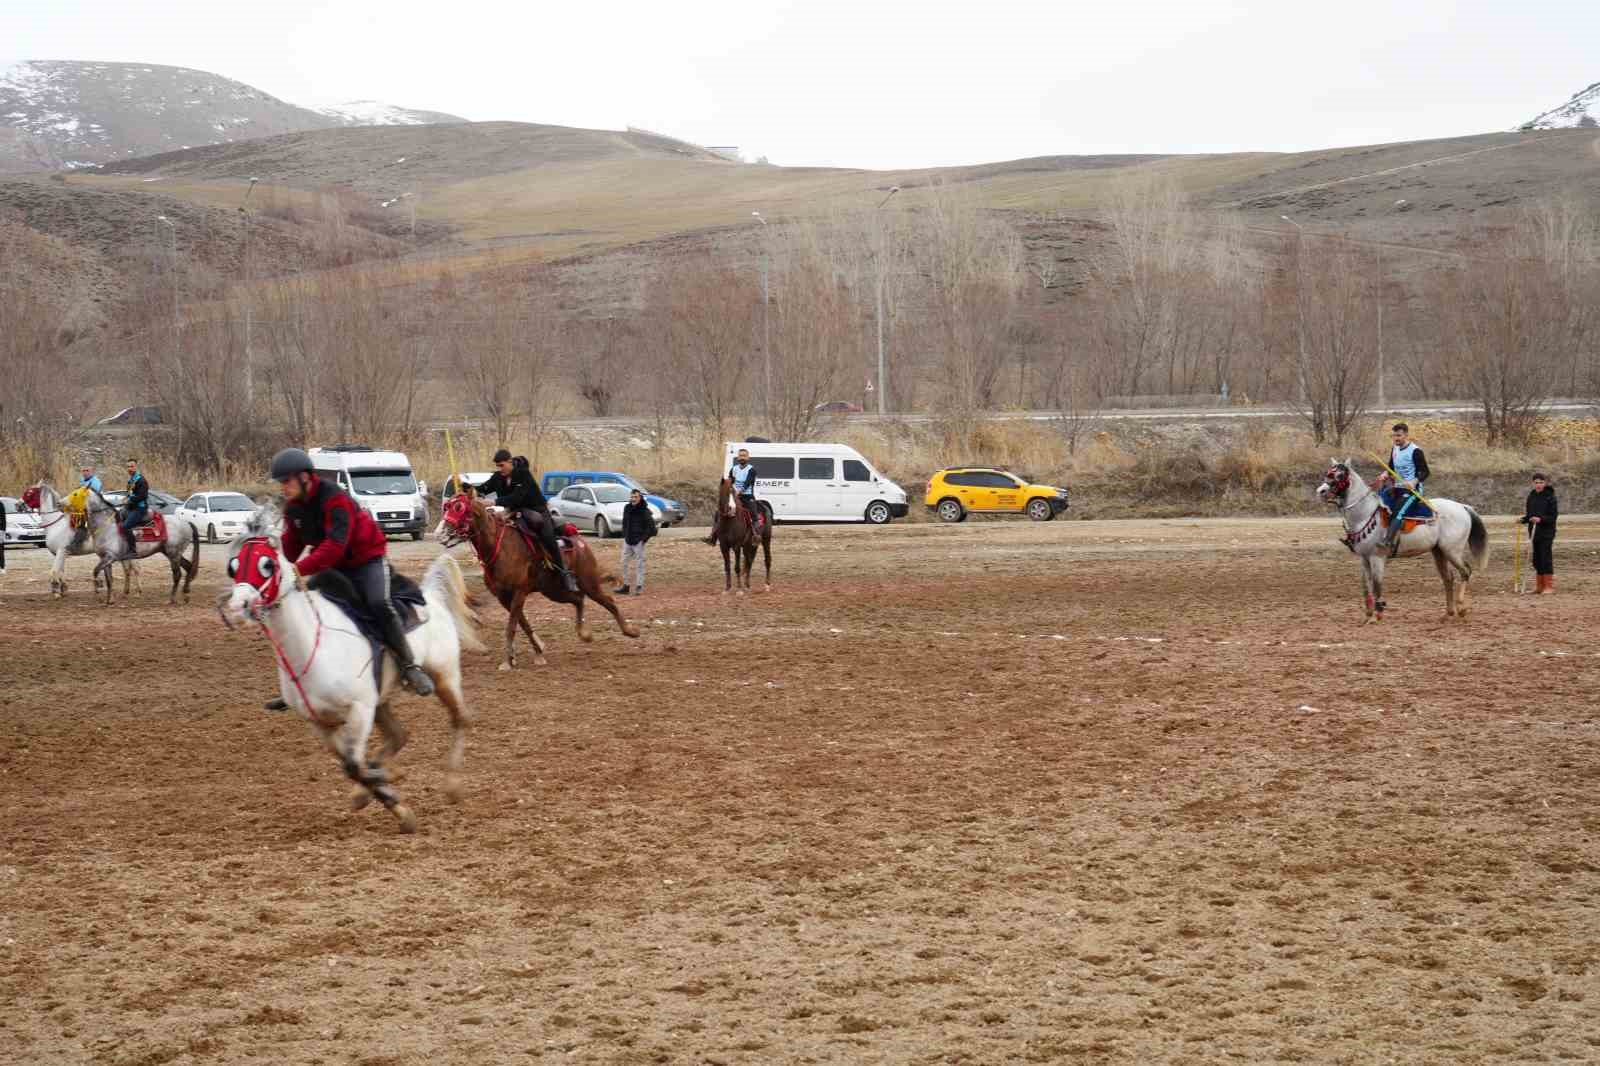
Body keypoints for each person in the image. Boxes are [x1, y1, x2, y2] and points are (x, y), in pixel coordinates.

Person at [263, 447, 433, 710]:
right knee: (305, 606)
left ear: (305, 477)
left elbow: (334, 546)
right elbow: (290, 547)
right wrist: (275, 564)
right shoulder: (294, 508)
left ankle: (410, 666)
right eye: (281, 482)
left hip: (366, 560)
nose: (283, 487)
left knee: (377, 603)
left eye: (286, 481)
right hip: (335, 566)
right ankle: (299, 686)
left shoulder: (335, 499)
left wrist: (298, 570)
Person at [473, 448, 578, 594]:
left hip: (538, 511)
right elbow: (483, 489)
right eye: (497, 466)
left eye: (502, 465)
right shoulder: (498, 477)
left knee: (548, 537)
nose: (499, 469)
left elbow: (517, 498)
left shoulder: (523, 474)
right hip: (515, 512)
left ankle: (565, 574)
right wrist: (468, 489)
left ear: (510, 462)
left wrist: (491, 502)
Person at [1379, 423, 1431, 556]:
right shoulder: (1394, 449)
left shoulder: (1415, 451)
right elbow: (1391, 466)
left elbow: (1425, 472)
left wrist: (1414, 481)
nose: (1396, 438)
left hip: (1412, 491)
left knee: (1398, 511)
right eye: (1394, 435)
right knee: (1378, 503)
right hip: (1396, 488)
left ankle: (1387, 543)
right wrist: (1386, 473)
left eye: (1399, 435)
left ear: (1406, 435)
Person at [706, 448, 763, 543]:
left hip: (747, 497)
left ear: (748, 457)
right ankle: (713, 536)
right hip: (734, 496)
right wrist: (727, 489)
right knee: (719, 512)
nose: (742, 457)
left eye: (744, 455)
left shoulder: (751, 470)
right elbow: (729, 481)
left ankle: (755, 536)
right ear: (738, 457)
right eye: (740, 455)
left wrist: (739, 492)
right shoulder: (734, 469)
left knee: (753, 514)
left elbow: (747, 483)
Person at [615, 489, 657, 596]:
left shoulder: (645, 511)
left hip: (639, 542)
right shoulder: (627, 508)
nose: (633, 499)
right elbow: (624, 522)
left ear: (640, 498)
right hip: (628, 540)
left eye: (635, 497)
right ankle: (626, 586)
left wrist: (643, 540)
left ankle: (639, 586)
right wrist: (625, 534)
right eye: (632, 497)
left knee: (640, 564)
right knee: (623, 563)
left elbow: (652, 528)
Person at [1522, 472, 1558, 595]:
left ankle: (1549, 586)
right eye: (1536, 482)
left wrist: (1540, 519)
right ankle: (1539, 586)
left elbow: (1553, 517)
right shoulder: (1531, 496)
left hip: (1547, 532)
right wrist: (1523, 520)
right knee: (1536, 559)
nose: (1538, 485)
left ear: (1545, 483)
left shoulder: (1550, 497)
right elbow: (1529, 515)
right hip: (1534, 532)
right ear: (1533, 483)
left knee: (1545, 558)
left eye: (1541, 482)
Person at [119, 458, 150, 553]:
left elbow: (142, 496)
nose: (129, 468)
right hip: (131, 507)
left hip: (139, 508)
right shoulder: (131, 480)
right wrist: (125, 498)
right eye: (128, 467)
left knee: (125, 527)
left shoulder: (141, 480)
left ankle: (132, 550)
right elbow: (129, 493)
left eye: (132, 466)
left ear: (136, 467)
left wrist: (129, 499)